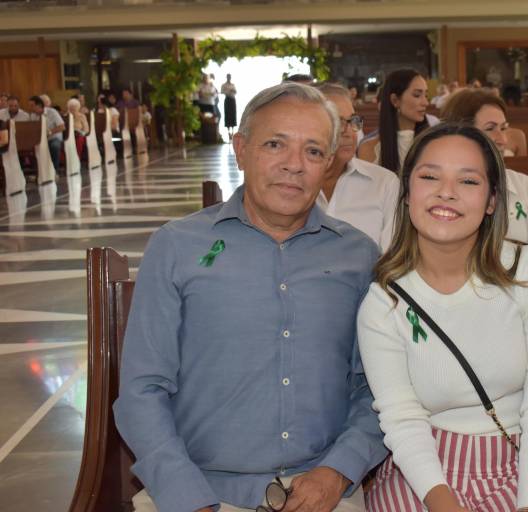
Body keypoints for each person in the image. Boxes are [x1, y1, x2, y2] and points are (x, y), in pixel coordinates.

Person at [114, 82, 388, 512]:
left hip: (322, 489)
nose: (294, 165)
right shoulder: (177, 246)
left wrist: (337, 472)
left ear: (329, 164)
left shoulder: (358, 255)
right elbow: (141, 389)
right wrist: (186, 496)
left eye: (314, 151)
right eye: (275, 144)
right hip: (196, 486)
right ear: (241, 149)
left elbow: (377, 387)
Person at [357, 123, 528, 512]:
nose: (446, 192)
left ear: (491, 201)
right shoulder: (384, 300)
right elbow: (402, 417)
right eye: (430, 176)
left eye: (468, 181)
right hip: (423, 470)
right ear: (407, 194)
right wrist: (442, 502)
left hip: (521, 462)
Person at [441, 88, 528, 248]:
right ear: (462, 133)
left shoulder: (525, 186)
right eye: (490, 128)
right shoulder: (444, 191)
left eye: (504, 128)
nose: (502, 139)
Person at [315, 83, 400, 251]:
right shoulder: (290, 184)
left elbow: (392, 259)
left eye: (353, 120)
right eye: (337, 122)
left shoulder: (384, 183)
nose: (349, 132)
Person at [358, 68, 430, 173]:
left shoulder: (432, 143)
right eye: (417, 95)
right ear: (395, 100)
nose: (425, 103)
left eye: (426, 96)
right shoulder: (370, 148)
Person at [29, 95, 65, 171]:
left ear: (38, 105)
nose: (30, 108)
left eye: (32, 106)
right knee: (31, 148)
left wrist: (49, 132)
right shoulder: (32, 115)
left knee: (54, 146)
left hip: (53, 137)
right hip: (40, 140)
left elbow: (62, 127)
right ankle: (40, 172)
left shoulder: (52, 111)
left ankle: (55, 170)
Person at [221, 73, 238, 140]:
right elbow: (222, 91)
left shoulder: (233, 85)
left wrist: (233, 91)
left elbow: (236, 92)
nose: (229, 78)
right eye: (228, 77)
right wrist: (228, 91)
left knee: (233, 115)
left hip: (232, 100)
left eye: (230, 77)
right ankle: (228, 132)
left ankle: (233, 132)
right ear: (226, 77)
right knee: (227, 114)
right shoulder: (224, 85)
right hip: (227, 100)